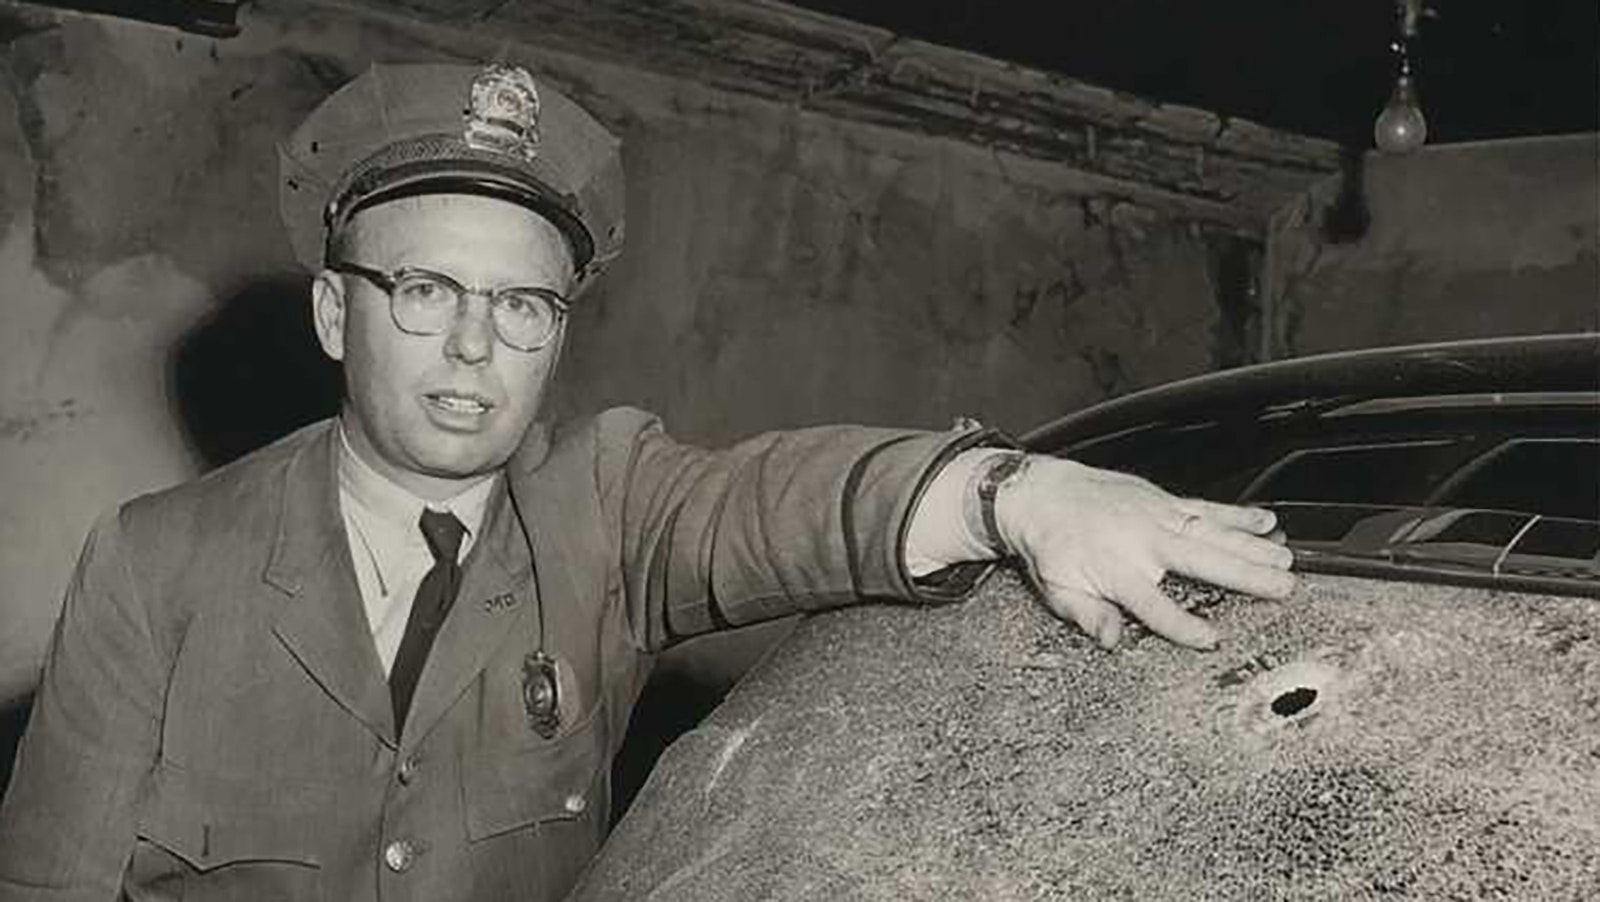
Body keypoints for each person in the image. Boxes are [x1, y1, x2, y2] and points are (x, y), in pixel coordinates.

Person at [0, 62, 1293, 901]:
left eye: (521, 305)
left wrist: (1009, 492)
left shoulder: (605, 502)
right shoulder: (156, 561)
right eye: (426, 292)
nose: (473, 347)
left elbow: (773, 501)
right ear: (338, 315)